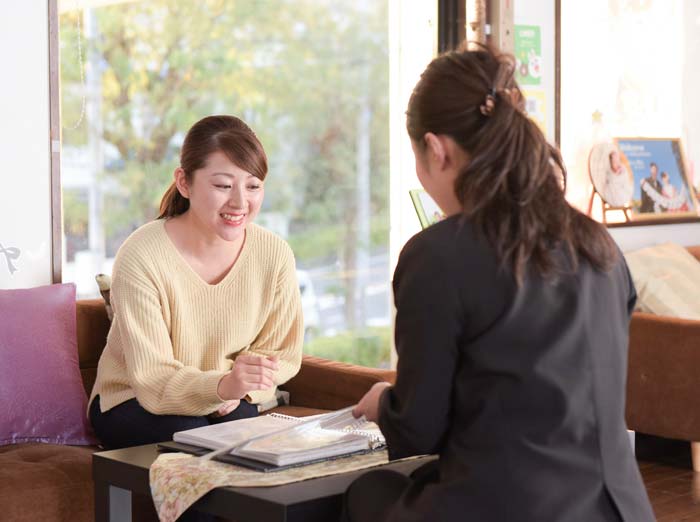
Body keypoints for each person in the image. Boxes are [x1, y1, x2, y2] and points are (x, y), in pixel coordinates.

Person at [344, 45, 654, 522]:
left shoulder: (437, 255)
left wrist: (385, 403)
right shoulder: (599, 245)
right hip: (621, 509)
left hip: (509, 508)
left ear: (436, 149)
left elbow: (417, 432)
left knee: (366, 495)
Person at [88, 115, 304, 451]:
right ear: (184, 183)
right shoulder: (142, 254)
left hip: (228, 398)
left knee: (242, 435)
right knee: (192, 435)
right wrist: (219, 386)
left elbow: (280, 353)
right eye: (222, 185)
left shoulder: (274, 254)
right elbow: (152, 378)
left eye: (253, 186)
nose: (240, 202)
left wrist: (239, 388)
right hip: (135, 400)